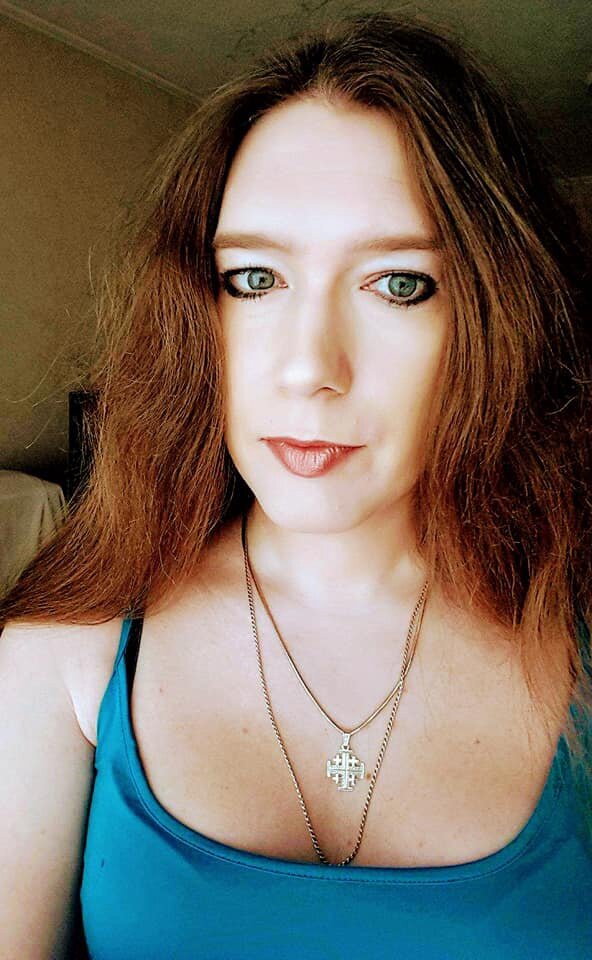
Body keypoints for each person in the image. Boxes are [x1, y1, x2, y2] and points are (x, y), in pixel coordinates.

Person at [1, 11, 591, 959]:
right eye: (253, 279)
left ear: (498, 320)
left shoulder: (574, 633)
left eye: (399, 284)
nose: (309, 367)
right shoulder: (65, 652)